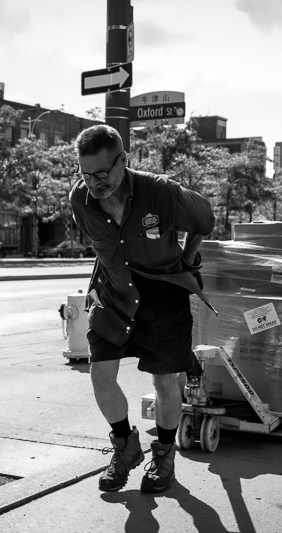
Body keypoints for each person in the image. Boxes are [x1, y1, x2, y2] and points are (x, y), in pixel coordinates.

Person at [69, 124, 215, 494]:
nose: (95, 183)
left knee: (165, 380)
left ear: (124, 161)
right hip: (112, 291)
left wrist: (188, 257)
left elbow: (203, 219)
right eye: (86, 174)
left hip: (162, 291)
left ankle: (164, 454)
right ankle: (125, 445)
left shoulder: (159, 191)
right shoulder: (79, 199)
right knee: (100, 375)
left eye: (102, 173)